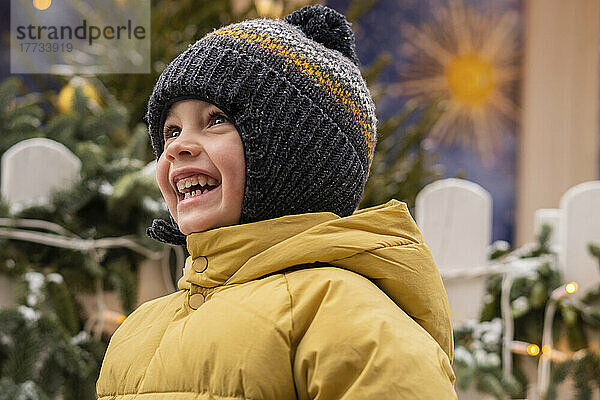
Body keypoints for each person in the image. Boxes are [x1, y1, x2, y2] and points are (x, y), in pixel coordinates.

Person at [96, 4, 457, 399]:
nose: (178, 146)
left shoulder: (341, 314)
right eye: (171, 130)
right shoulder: (138, 330)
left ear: (292, 151)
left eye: (216, 118)